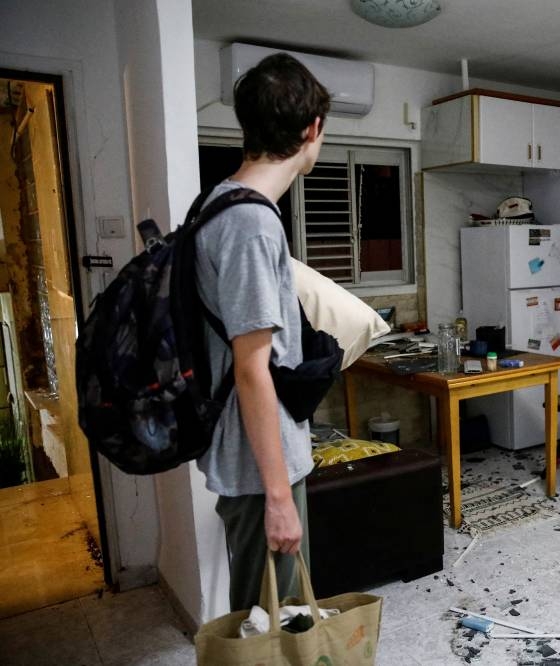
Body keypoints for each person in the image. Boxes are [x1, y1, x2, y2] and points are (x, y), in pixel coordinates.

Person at [194, 52, 330, 611]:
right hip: (258, 464)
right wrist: (278, 495)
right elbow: (251, 368)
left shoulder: (225, 204)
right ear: (311, 130)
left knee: (274, 617)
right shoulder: (249, 223)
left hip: (257, 452)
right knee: (269, 621)